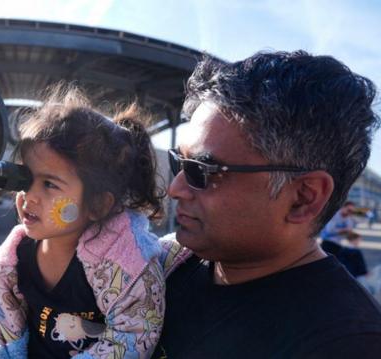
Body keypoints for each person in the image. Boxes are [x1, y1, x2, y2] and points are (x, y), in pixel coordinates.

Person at [152, 51, 381, 358]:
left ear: (303, 198)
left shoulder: (345, 342)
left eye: (201, 170)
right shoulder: (167, 267)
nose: (175, 188)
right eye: (178, 162)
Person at [0, 86, 189, 358]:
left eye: (49, 184)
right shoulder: (14, 258)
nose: (30, 195)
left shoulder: (126, 267)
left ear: (97, 204)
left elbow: (131, 338)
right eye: (26, 178)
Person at [320, 201, 369, 278]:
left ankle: (359, 276)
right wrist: (344, 230)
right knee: (353, 256)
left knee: (354, 255)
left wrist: (354, 238)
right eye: (349, 210)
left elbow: (348, 234)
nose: (350, 213)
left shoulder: (349, 219)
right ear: (342, 208)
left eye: (352, 211)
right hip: (328, 243)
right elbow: (329, 231)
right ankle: (362, 275)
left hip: (337, 245)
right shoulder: (334, 216)